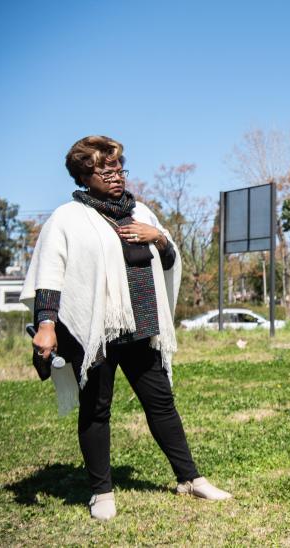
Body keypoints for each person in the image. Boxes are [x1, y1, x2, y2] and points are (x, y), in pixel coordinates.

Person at [21, 136, 231, 521]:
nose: (116, 175)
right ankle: (102, 492)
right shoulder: (67, 217)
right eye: (105, 169)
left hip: (142, 326)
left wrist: (161, 239)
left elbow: (167, 262)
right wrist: (47, 325)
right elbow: (49, 275)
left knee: (162, 404)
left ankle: (189, 478)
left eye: (119, 167)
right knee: (97, 409)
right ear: (85, 175)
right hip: (96, 330)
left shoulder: (143, 213)